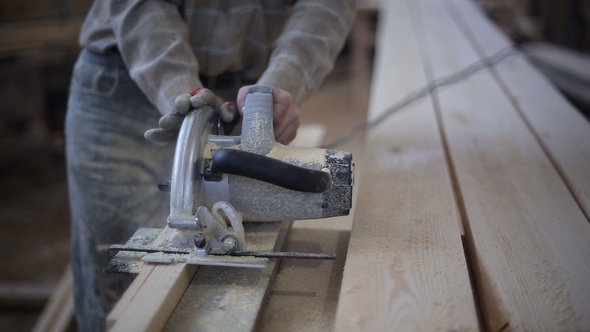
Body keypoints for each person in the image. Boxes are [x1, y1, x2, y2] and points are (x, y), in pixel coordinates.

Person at [65, 0, 355, 330]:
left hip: (240, 90)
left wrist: (283, 82)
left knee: (213, 291)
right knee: (113, 280)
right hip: (125, 79)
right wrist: (177, 84)